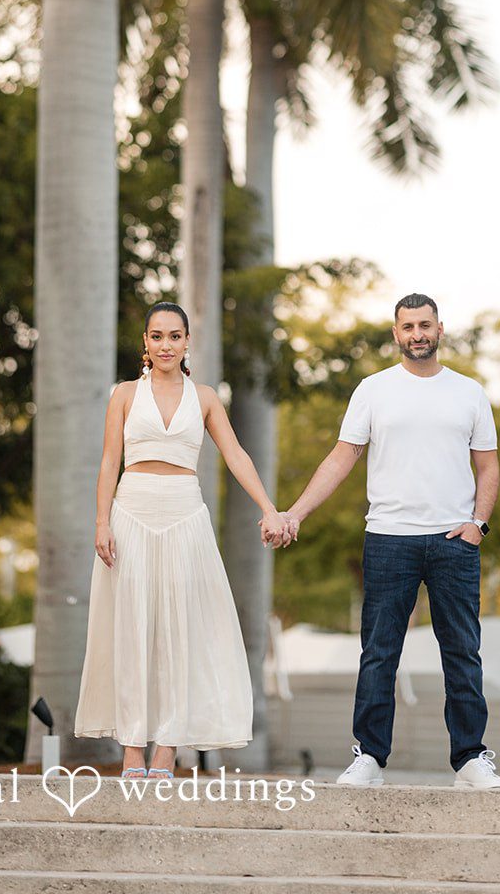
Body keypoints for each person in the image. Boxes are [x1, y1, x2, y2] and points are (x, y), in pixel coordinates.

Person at [274, 292, 500, 790]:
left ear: (440, 329)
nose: (417, 334)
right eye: (408, 327)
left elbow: (487, 466)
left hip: (453, 541)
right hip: (389, 539)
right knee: (379, 653)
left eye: (425, 325)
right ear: (395, 332)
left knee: (462, 651)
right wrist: (295, 512)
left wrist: (477, 526)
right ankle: (369, 758)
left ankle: (470, 759)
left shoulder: (469, 393)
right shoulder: (373, 390)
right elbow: (341, 457)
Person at [73, 300, 292, 777]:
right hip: (131, 512)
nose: (165, 344)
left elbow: (236, 455)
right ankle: (132, 747)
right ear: (145, 344)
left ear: (187, 342)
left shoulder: (206, 397)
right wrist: (102, 521)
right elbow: (110, 461)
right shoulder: (125, 394)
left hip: (185, 514)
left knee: (178, 632)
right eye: (157, 336)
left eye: (175, 336)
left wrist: (268, 507)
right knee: (132, 631)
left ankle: (167, 748)